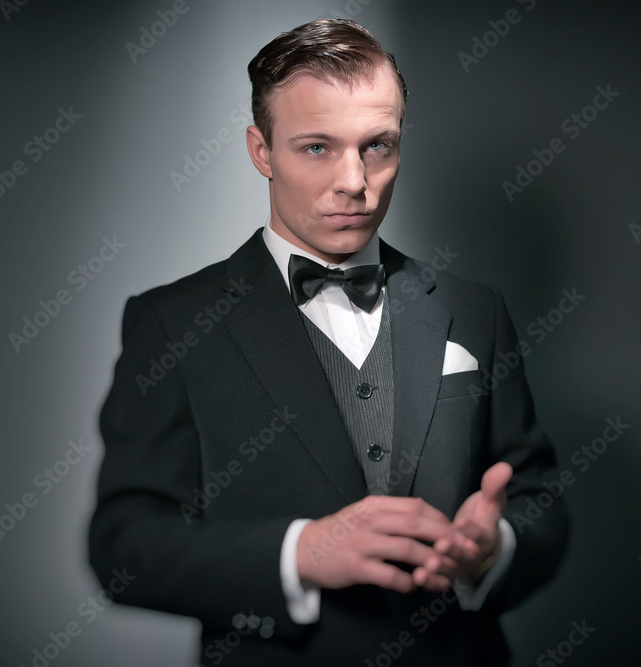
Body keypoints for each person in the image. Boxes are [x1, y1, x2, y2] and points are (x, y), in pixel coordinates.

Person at [89, 18, 569, 666]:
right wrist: (300, 552)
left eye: (378, 145)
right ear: (261, 151)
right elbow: (125, 547)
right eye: (317, 147)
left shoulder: (475, 310)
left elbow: (541, 503)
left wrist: (493, 551)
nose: (355, 180)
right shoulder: (171, 323)